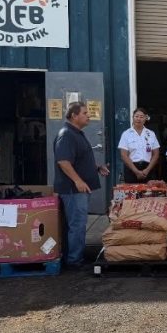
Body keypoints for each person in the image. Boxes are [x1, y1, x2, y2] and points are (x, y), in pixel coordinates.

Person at [54, 102, 110, 270]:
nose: (88, 116)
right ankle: (74, 261)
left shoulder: (77, 133)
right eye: (85, 113)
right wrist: (78, 181)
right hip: (72, 190)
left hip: (80, 188)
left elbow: (79, 160)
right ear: (74, 115)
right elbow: (63, 161)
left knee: (77, 223)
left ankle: (74, 256)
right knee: (77, 224)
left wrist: (96, 168)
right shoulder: (66, 135)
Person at [117, 107, 160, 184]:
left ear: (145, 118)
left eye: (141, 117)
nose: (138, 119)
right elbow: (123, 155)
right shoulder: (126, 134)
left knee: (148, 194)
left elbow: (156, 154)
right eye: (136, 116)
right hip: (131, 168)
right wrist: (136, 171)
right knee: (131, 194)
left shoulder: (151, 134)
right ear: (133, 118)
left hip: (148, 169)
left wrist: (147, 170)